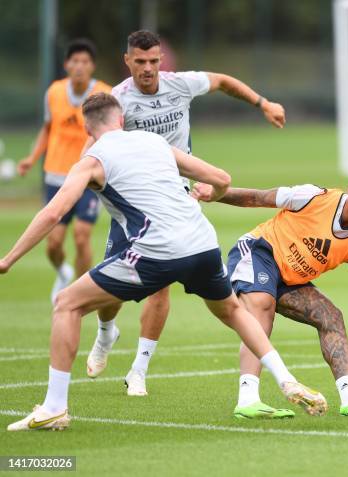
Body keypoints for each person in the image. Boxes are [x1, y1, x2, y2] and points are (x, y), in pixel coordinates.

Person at [1, 93, 326, 431]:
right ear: (122, 120)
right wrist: (211, 196)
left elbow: (54, 211)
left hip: (156, 251)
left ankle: (54, 407)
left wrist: (9, 259)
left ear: (87, 128)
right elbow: (222, 179)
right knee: (232, 311)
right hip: (203, 243)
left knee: (66, 304)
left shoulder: (91, 160)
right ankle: (286, 378)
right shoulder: (154, 142)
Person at [84, 30, 287, 396]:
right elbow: (94, 148)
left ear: (161, 60)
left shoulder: (180, 85)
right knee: (109, 294)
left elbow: (223, 81)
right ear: (127, 60)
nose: (148, 69)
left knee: (161, 286)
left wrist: (263, 103)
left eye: (154, 61)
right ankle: (105, 334)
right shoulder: (117, 100)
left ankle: (139, 371)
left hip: (175, 199)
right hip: (133, 203)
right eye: (140, 62)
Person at [191, 168, 348, 418]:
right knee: (261, 307)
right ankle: (248, 400)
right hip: (259, 251)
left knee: (331, 317)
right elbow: (259, 197)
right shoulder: (313, 197)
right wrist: (214, 194)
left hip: (290, 279)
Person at [17, 39, 111, 303]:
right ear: (66, 65)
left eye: (85, 62)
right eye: (75, 61)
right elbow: (48, 129)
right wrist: (31, 157)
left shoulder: (104, 94)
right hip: (56, 175)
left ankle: (79, 294)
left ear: (92, 66)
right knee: (53, 244)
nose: (79, 66)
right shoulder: (54, 92)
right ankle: (62, 271)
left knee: (82, 236)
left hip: (89, 176)